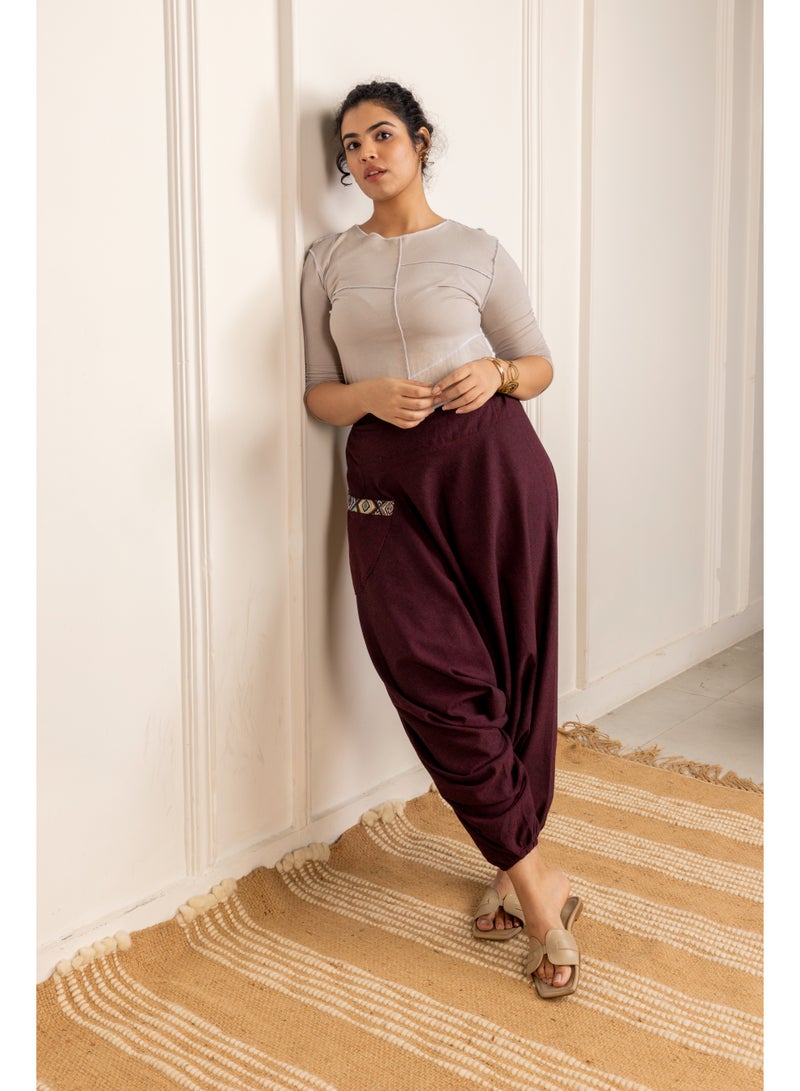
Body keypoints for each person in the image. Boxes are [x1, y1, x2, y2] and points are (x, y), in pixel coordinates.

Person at [300, 80, 582, 999]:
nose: (366, 154)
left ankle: (511, 862)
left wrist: (497, 372)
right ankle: (540, 886)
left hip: (493, 464)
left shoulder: (477, 249)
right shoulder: (327, 261)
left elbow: (538, 362)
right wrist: (369, 397)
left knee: (515, 665)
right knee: (429, 669)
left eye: (382, 134)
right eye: (350, 145)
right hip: (386, 479)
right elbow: (318, 391)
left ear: (420, 141)